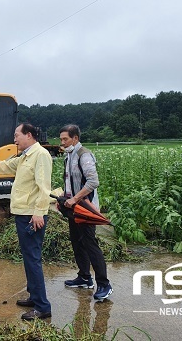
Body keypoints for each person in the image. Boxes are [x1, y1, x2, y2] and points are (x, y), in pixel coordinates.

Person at [0, 123, 52, 321]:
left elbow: (44, 186)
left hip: (32, 215)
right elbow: (4, 165)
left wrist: (39, 212)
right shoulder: (25, 156)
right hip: (23, 213)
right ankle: (34, 296)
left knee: (33, 259)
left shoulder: (40, 155)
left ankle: (42, 307)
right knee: (28, 256)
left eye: (17, 135)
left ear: (29, 135)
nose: (14, 140)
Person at [58, 124, 113, 301]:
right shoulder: (68, 156)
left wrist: (74, 199)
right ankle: (84, 277)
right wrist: (64, 199)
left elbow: (93, 181)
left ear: (75, 138)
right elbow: (70, 183)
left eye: (65, 139)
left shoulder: (84, 155)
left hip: (86, 209)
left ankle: (104, 284)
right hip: (74, 209)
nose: (63, 142)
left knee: (90, 244)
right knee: (77, 241)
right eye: (61, 139)